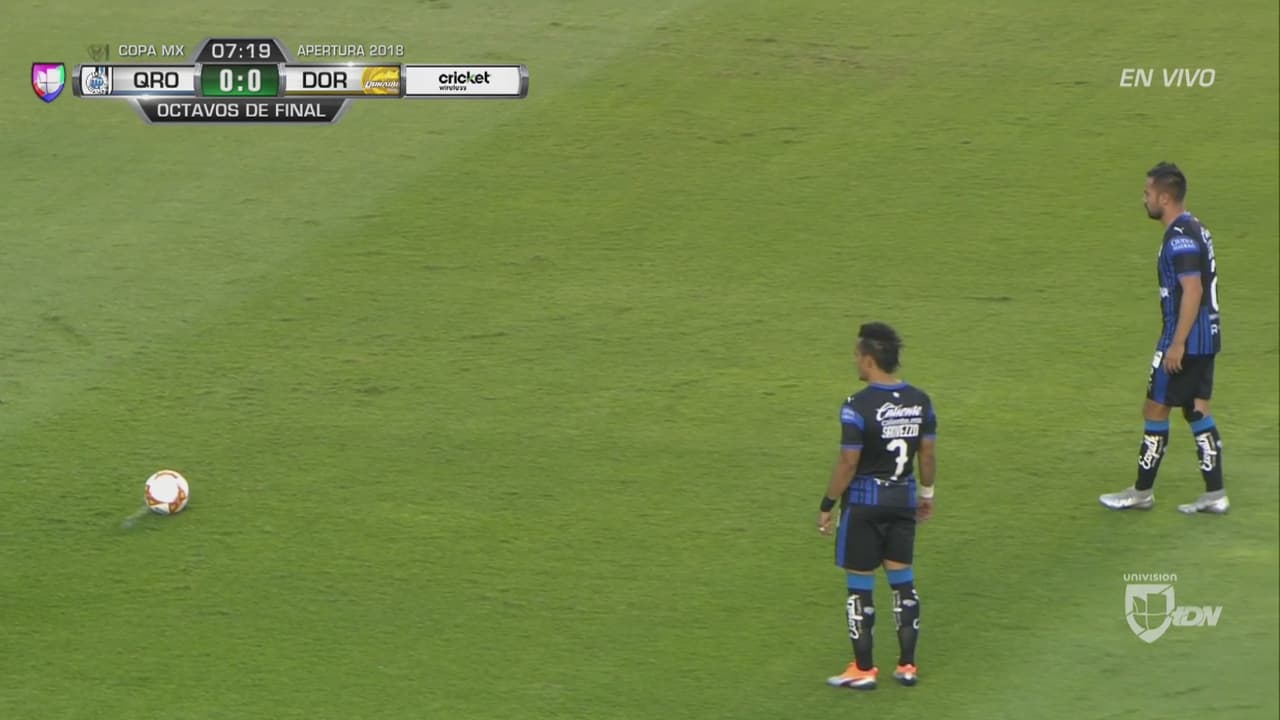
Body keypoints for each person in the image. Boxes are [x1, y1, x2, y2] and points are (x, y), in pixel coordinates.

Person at [1100, 162, 1229, 514]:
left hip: (1186, 339)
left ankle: (1141, 492)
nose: (1144, 199)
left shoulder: (1179, 238)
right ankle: (1215, 494)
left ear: (1165, 198)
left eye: (1148, 193)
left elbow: (1193, 289)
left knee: (1155, 408)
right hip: (1208, 337)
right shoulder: (1197, 227)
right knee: (1197, 409)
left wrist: (1177, 343)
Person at [818, 322, 936, 690]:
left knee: (860, 586)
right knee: (903, 582)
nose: (855, 361)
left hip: (864, 504)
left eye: (857, 356)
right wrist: (927, 494)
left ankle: (864, 669)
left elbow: (848, 462)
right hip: (902, 500)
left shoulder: (857, 406)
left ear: (869, 360)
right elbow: (927, 454)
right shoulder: (920, 401)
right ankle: (907, 666)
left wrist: (827, 503)